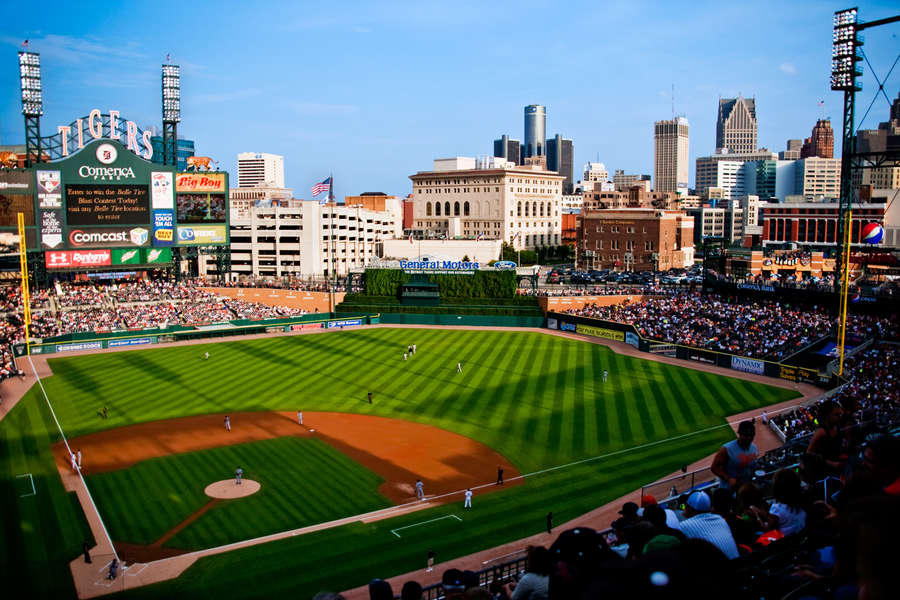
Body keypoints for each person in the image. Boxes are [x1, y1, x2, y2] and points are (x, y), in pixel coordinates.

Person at [677, 491, 740, 559]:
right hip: (739, 564)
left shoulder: (684, 526)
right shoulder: (720, 519)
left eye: (685, 506)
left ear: (689, 508)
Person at [711, 420, 759, 490]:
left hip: (746, 489)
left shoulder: (754, 448)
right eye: (746, 435)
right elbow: (714, 467)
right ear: (739, 434)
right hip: (728, 490)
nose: (749, 438)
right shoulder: (727, 449)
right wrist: (729, 479)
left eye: (751, 435)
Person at [763, 469, 807, 536]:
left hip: (785, 544)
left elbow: (769, 532)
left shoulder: (777, 509)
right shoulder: (804, 503)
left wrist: (758, 518)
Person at [807, 400, 846, 475]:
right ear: (827, 415)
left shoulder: (836, 426)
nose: (840, 417)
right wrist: (832, 463)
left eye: (840, 414)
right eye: (836, 414)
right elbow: (809, 453)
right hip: (825, 471)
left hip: (837, 467)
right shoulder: (821, 432)